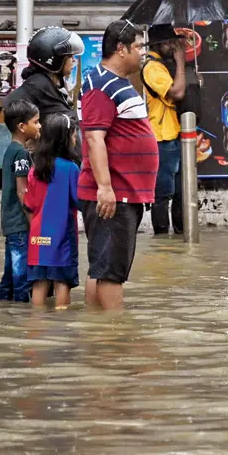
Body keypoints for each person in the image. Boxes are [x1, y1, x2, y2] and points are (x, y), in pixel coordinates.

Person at [79, 20, 158, 312]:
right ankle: (114, 332)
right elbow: (94, 138)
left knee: (102, 266)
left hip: (123, 192)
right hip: (114, 194)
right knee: (110, 272)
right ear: (121, 49)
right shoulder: (101, 85)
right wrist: (105, 188)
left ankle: (95, 328)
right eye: (139, 46)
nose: (143, 52)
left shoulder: (115, 83)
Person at [24, 114, 82, 309]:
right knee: (62, 283)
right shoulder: (71, 169)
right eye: (73, 135)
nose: (75, 139)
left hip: (37, 238)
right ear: (65, 139)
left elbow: (29, 204)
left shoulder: (35, 170)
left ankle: (36, 322)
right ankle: (61, 322)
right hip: (62, 238)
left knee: (39, 284)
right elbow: (79, 201)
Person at [140, 25, 189, 235]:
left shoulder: (162, 65)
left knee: (180, 193)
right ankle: (161, 239)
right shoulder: (152, 68)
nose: (172, 46)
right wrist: (180, 61)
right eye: (169, 43)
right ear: (158, 44)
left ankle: (178, 238)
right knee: (163, 193)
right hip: (162, 138)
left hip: (173, 135)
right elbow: (177, 92)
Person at [0, 99, 41, 303]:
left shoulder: (11, 150)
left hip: (10, 223)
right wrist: (34, 221)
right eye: (36, 122)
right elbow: (22, 191)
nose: (40, 126)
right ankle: (21, 312)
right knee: (21, 276)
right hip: (20, 224)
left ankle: (5, 308)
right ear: (22, 127)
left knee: (9, 275)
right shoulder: (21, 153)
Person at [4, 27, 83, 131]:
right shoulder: (38, 85)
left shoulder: (54, 84)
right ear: (54, 60)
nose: (73, 60)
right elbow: (9, 105)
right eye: (70, 56)